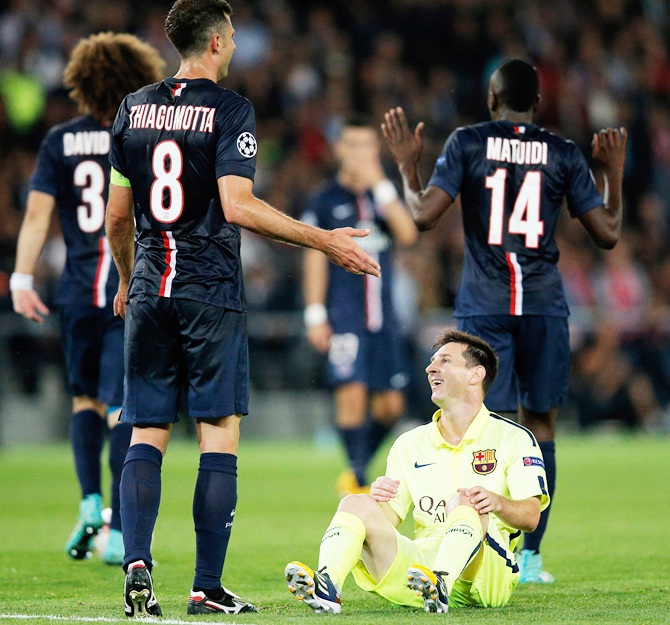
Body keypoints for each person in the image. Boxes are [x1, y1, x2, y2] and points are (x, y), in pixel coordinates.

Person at [105, 0, 380, 618]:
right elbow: (238, 205)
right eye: (230, 37)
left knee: (146, 429)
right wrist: (325, 239)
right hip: (208, 290)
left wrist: (128, 279)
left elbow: (117, 216)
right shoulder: (230, 110)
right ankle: (205, 587)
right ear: (219, 42)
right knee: (218, 436)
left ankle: (138, 564)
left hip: (150, 287)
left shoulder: (130, 108)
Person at [381, 58, 627, 584]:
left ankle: (484, 553)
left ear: (492, 101)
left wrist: (407, 164)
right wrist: (615, 173)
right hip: (542, 304)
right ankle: (530, 558)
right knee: (540, 427)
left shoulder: (469, 142)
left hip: (485, 303)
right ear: (537, 105)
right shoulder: (561, 151)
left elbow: (423, 215)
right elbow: (606, 231)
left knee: (485, 429)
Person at [10, 32, 164, 565]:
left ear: (83, 82)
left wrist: (21, 279)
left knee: (85, 402)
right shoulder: (142, 136)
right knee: (125, 408)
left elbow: (36, 216)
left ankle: (89, 503)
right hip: (132, 287)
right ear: (134, 78)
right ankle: (119, 535)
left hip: (76, 292)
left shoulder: (59, 141)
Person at [285, 329, 549, 613]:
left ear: (476, 375)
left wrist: (496, 502)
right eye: (432, 361)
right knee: (354, 502)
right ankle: (328, 586)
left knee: (466, 501)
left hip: (487, 574)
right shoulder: (409, 443)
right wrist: (376, 504)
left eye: (445, 361)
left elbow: (531, 517)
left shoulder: (514, 437)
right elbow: (390, 518)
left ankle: (442, 584)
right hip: (420, 572)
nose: (430, 367)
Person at [301, 114, 417, 496]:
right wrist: (316, 314)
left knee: (391, 407)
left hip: (384, 319)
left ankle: (358, 464)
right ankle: (357, 479)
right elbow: (315, 257)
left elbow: (407, 233)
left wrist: (381, 182)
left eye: (368, 146)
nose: (361, 154)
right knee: (350, 394)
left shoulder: (380, 197)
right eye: (353, 145)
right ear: (338, 150)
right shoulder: (324, 200)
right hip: (345, 315)